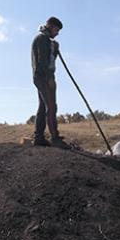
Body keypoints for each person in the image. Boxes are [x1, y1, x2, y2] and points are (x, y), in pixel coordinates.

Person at [31, 16, 70, 149]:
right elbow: (42, 62)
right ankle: (55, 138)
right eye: (57, 30)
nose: (57, 33)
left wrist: (54, 50)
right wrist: (49, 79)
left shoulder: (46, 40)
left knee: (43, 107)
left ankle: (39, 137)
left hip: (40, 77)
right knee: (52, 106)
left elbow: (50, 59)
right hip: (44, 77)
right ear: (51, 27)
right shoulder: (42, 39)